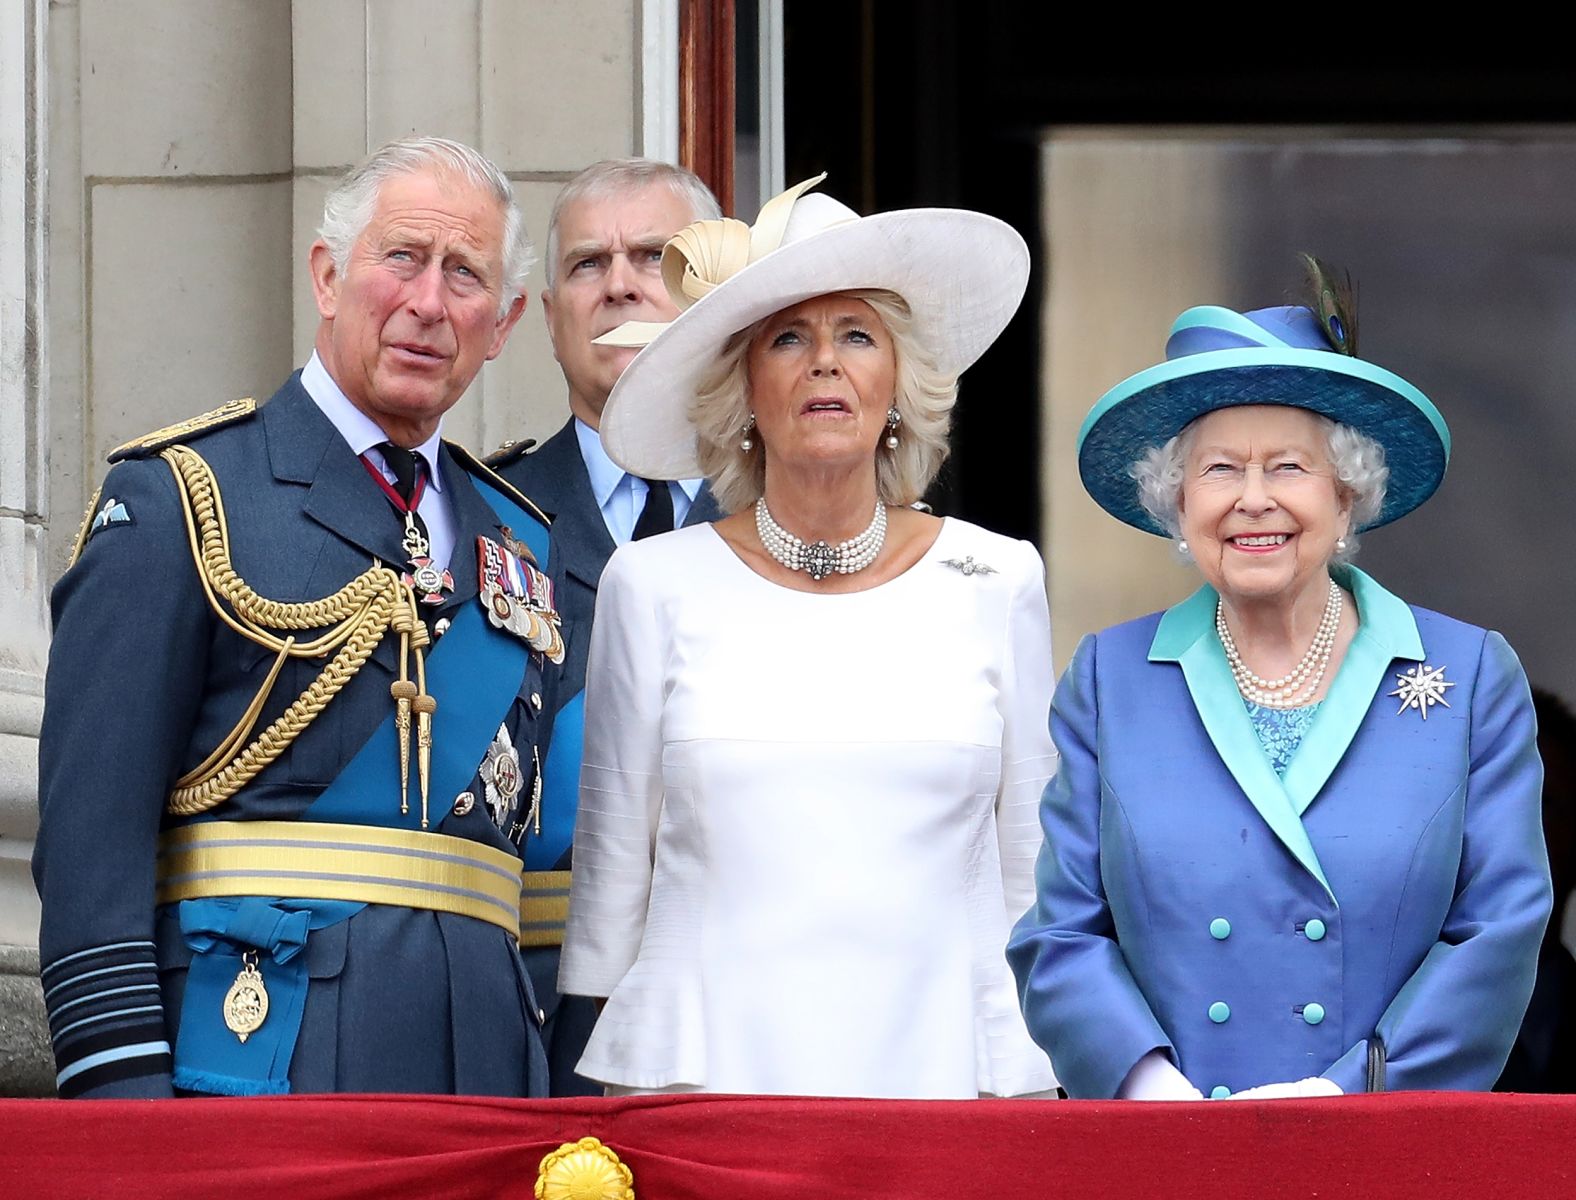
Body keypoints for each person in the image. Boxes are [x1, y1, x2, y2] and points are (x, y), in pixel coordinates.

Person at [34, 137, 561, 1099]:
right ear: (327, 276)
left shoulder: (522, 542)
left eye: (465, 276)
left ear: (503, 324)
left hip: (486, 1073)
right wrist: (125, 1107)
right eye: (401, 257)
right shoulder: (185, 499)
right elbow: (89, 846)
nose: (429, 303)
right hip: (263, 1061)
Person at [555, 176, 1059, 1098]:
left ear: (897, 384)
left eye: (856, 335)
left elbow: (1028, 881)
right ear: (744, 389)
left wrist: (1023, 1088)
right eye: (790, 337)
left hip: (942, 1083)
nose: (825, 362)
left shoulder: (1000, 579)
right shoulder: (653, 583)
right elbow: (611, 899)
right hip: (707, 1092)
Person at [1007, 278, 1552, 1099]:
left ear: (1346, 496)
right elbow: (1061, 932)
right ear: (1178, 502)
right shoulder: (1109, 680)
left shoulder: (1470, 676)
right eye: (1220, 469)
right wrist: (1149, 1090)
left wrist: (1345, 1096)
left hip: (1383, 1147)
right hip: (1167, 1149)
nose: (1252, 499)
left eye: (1288, 467)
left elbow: (1498, 932)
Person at [487, 159, 724, 1094]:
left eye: (654, 258)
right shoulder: (479, 518)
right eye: (589, 263)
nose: (620, 281)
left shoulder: (799, 527)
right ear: (548, 319)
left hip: (747, 1017)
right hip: (541, 1025)